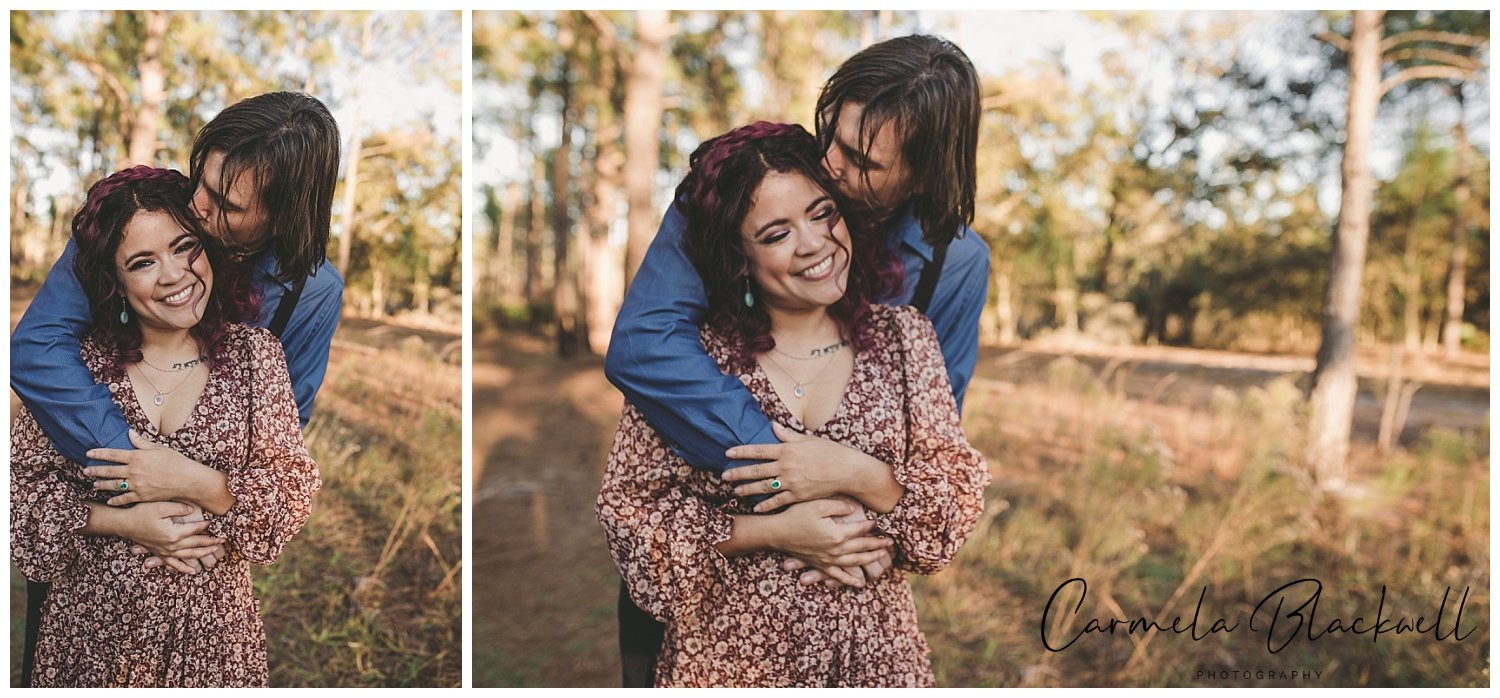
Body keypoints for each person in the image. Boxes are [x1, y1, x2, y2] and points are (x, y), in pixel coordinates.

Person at [604, 35, 988, 684]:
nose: (831, 166)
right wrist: (783, 482)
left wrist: (858, 499)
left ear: (919, 174)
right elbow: (646, 344)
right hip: (711, 624)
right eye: (832, 137)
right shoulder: (738, 187)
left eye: (861, 161)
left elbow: (932, 454)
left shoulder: (952, 271)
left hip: (861, 615)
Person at [10, 90, 343, 685]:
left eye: (225, 205)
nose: (199, 208)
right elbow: (37, 349)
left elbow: (280, 449)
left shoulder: (308, 295)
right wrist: (136, 478)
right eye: (202, 181)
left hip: (206, 595)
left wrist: (197, 494)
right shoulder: (147, 210)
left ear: (281, 216)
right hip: (84, 607)